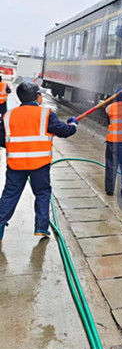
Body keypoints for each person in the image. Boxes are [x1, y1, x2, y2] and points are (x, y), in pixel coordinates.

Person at [0, 81, 78, 243]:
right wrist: (73, 124)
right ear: (36, 97)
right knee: (42, 193)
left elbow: (2, 139)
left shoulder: (8, 116)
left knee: (9, 195)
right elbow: (64, 131)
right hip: (39, 165)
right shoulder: (46, 115)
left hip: (15, 165)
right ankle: (41, 228)